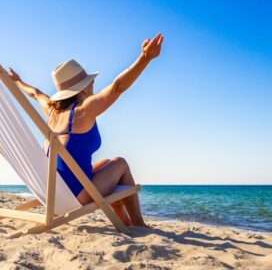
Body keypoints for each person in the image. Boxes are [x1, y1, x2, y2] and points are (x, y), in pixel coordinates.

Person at [8, 33, 164, 228]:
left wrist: (16, 82)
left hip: (53, 194)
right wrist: (144, 58)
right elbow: (117, 87)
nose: (93, 84)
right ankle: (139, 223)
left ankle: (124, 221)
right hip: (75, 197)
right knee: (120, 164)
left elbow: (35, 93)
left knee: (107, 163)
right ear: (81, 90)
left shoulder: (51, 110)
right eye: (90, 82)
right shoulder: (83, 111)